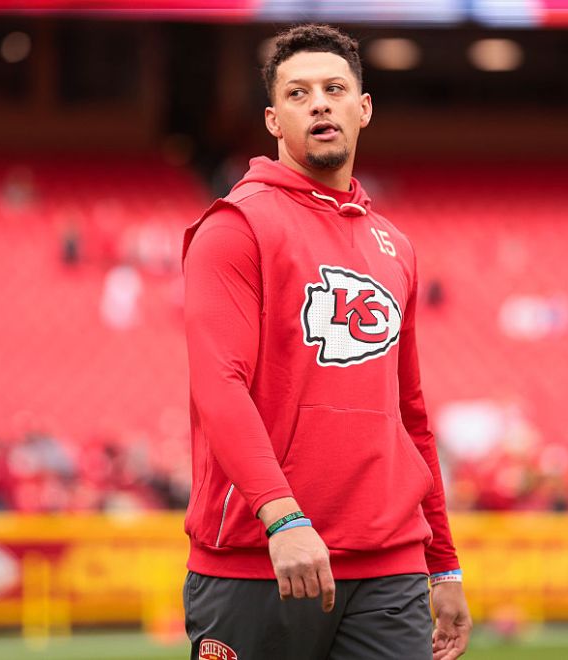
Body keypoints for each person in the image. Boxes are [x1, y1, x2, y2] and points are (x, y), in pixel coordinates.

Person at [181, 24, 471, 660]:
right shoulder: (236, 226)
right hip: (261, 562)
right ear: (273, 119)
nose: (319, 102)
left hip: (387, 568)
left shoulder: (395, 247)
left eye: (335, 88)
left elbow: (411, 415)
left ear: (363, 109)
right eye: (298, 92)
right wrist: (281, 516)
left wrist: (442, 562)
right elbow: (218, 387)